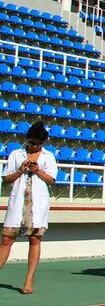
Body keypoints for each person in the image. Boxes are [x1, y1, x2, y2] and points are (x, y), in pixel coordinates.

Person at [0, 122, 58, 294]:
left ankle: (29, 278)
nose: (34, 147)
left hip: (37, 204)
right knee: (7, 240)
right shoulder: (16, 154)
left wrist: (38, 171)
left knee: (34, 240)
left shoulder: (48, 156)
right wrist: (20, 170)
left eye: (38, 144)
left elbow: (51, 180)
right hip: (18, 202)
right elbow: (6, 178)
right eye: (32, 143)